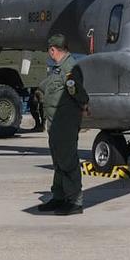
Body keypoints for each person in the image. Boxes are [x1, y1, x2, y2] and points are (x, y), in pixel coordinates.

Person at [34, 32, 88, 214]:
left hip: (65, 124)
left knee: (68, 161)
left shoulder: (70, 69)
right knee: (59, 162)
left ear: (52, 50)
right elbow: (51, 86)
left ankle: (75, 201)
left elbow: (79, 94)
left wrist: (81, 110)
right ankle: (59, 196)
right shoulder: (59, 68)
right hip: (55, 124)